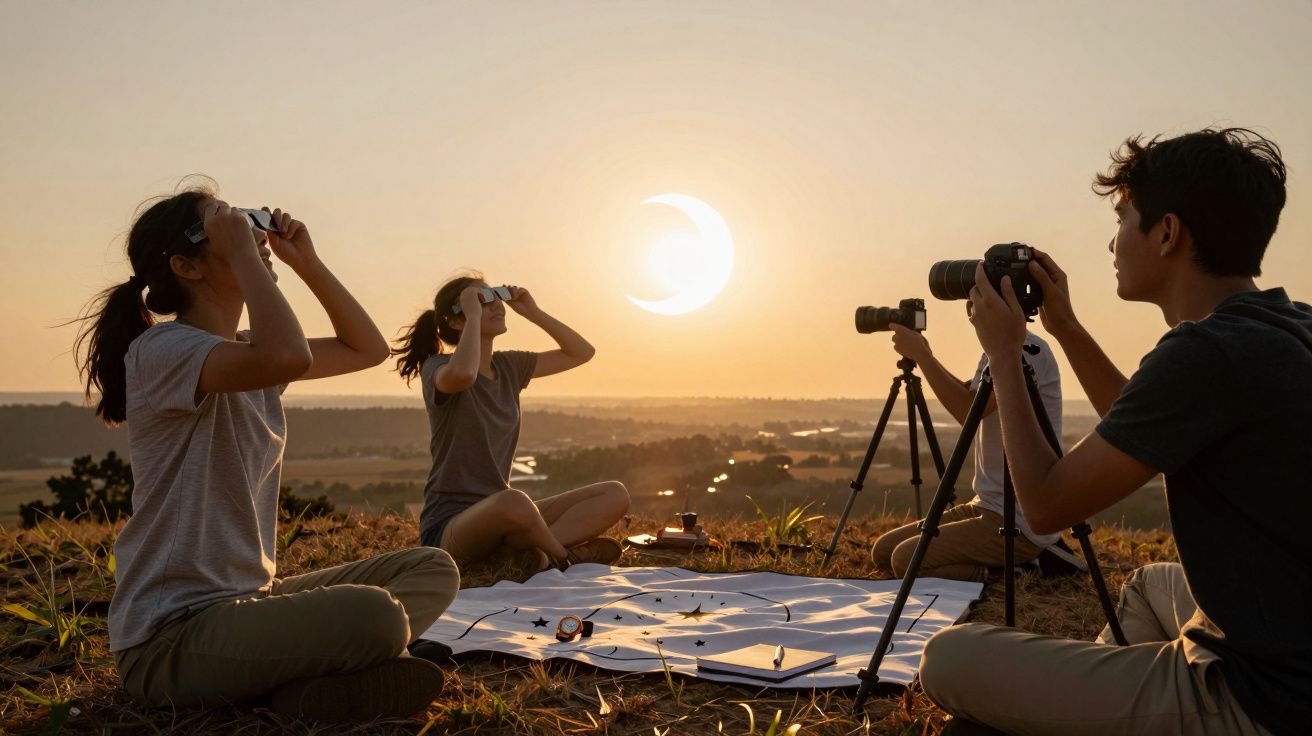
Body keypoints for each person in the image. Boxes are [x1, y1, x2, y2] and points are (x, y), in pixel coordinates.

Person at [919, 128, 1308, 735]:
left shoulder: (1205, 353)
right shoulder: (1283, 326)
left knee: (947, 658)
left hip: (1265, 697)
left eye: (1123, 219)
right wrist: (1066, 327)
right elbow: (1145, 427)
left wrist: (1005, 354)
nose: (1111, 241)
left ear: (1167, 233)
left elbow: (1045, 505)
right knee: (1151, 585)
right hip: (1288, 631)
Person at [82, 184, 460, 721]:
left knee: (430, 568)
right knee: (375, 615)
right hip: (170, 640)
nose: (252, 233)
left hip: (247, 602)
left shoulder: (242, 351)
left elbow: (367, 349)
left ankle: (305, 683)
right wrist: (247, 253)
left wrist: (307, 263)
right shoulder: (163, 350)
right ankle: (356, 659)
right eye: (228, 224)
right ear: (186, 266)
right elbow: (285, 355)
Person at [393, 273, 630, 575]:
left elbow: (581, 352)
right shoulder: (437, 367)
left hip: (506, 514)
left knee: (614, 494)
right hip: (450, 526)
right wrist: (474, 315)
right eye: (482, 299)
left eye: (496, 296)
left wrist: (532, 312)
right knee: (514, 502)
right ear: (456, 321)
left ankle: (528, 553)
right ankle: (564, 559)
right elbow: (464, 375)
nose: (496, 305)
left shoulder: (509, 367)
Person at [872, 324, 1080, 582]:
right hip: (986, 504)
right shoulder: (997, 349)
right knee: (883, 551)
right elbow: (970, 394)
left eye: (976, 301)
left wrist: (922, 357)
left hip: (1017, 520)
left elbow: (967, 411)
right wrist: (927, 355)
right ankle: (1012, 560)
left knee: (905, 560)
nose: (970, 308)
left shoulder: (1026, 351)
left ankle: (1023, 569)